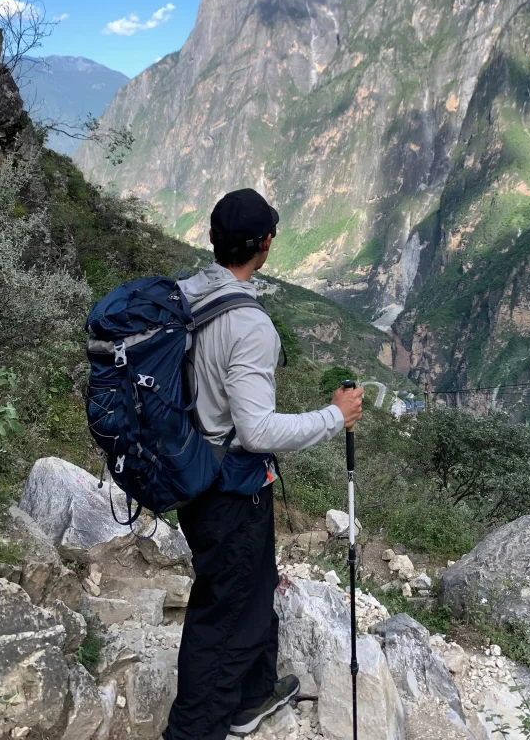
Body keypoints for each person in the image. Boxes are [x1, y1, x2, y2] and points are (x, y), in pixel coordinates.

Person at [164, 188, 364, 740]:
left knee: (251, 590)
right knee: (225, 616)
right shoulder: (249, 326)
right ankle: (195, 729)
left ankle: (252, 696)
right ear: (266, 245)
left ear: (212, 238)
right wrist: (333, 415)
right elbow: (257, 430)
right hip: (231, 490)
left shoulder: (188, 292)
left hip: (194, 472)